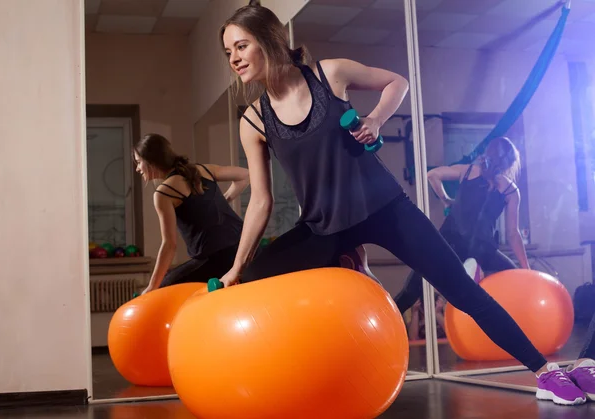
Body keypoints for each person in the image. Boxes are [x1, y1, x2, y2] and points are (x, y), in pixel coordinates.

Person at [218, 4, 586, 405]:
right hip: (323, 226)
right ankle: (340, 285)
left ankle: (545, 371)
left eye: (241, 46)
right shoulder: (253, 121)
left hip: (385, 208)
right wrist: (237, 267)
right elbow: (261, 202)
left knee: (463, 291)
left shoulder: (330, 74)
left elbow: (397, 82)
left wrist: (375, 119)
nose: (234, 59)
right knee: (254, 277)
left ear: (270, 41)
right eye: (229, 52)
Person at [395, 136, 530, 314]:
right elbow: (513, 233)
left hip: (450, 241)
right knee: (516, 277)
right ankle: (472, 268)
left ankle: (384, 322)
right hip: (482, 248)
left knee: (411, 291)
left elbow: (432, 175)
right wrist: (526, 269)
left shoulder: (467, 171)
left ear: (488, 154)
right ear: (509, 164)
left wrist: (446, 200)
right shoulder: (511, 189)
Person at [134, 133, 248, 294]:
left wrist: (152, 287)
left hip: (218, 258)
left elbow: (169, 245)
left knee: (164, 289)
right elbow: (245, 175)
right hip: (244, 247)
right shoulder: (203, 170)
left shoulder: (164, 193)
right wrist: (225, 199)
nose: (138, 168)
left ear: (151, 161)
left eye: (139, 162)